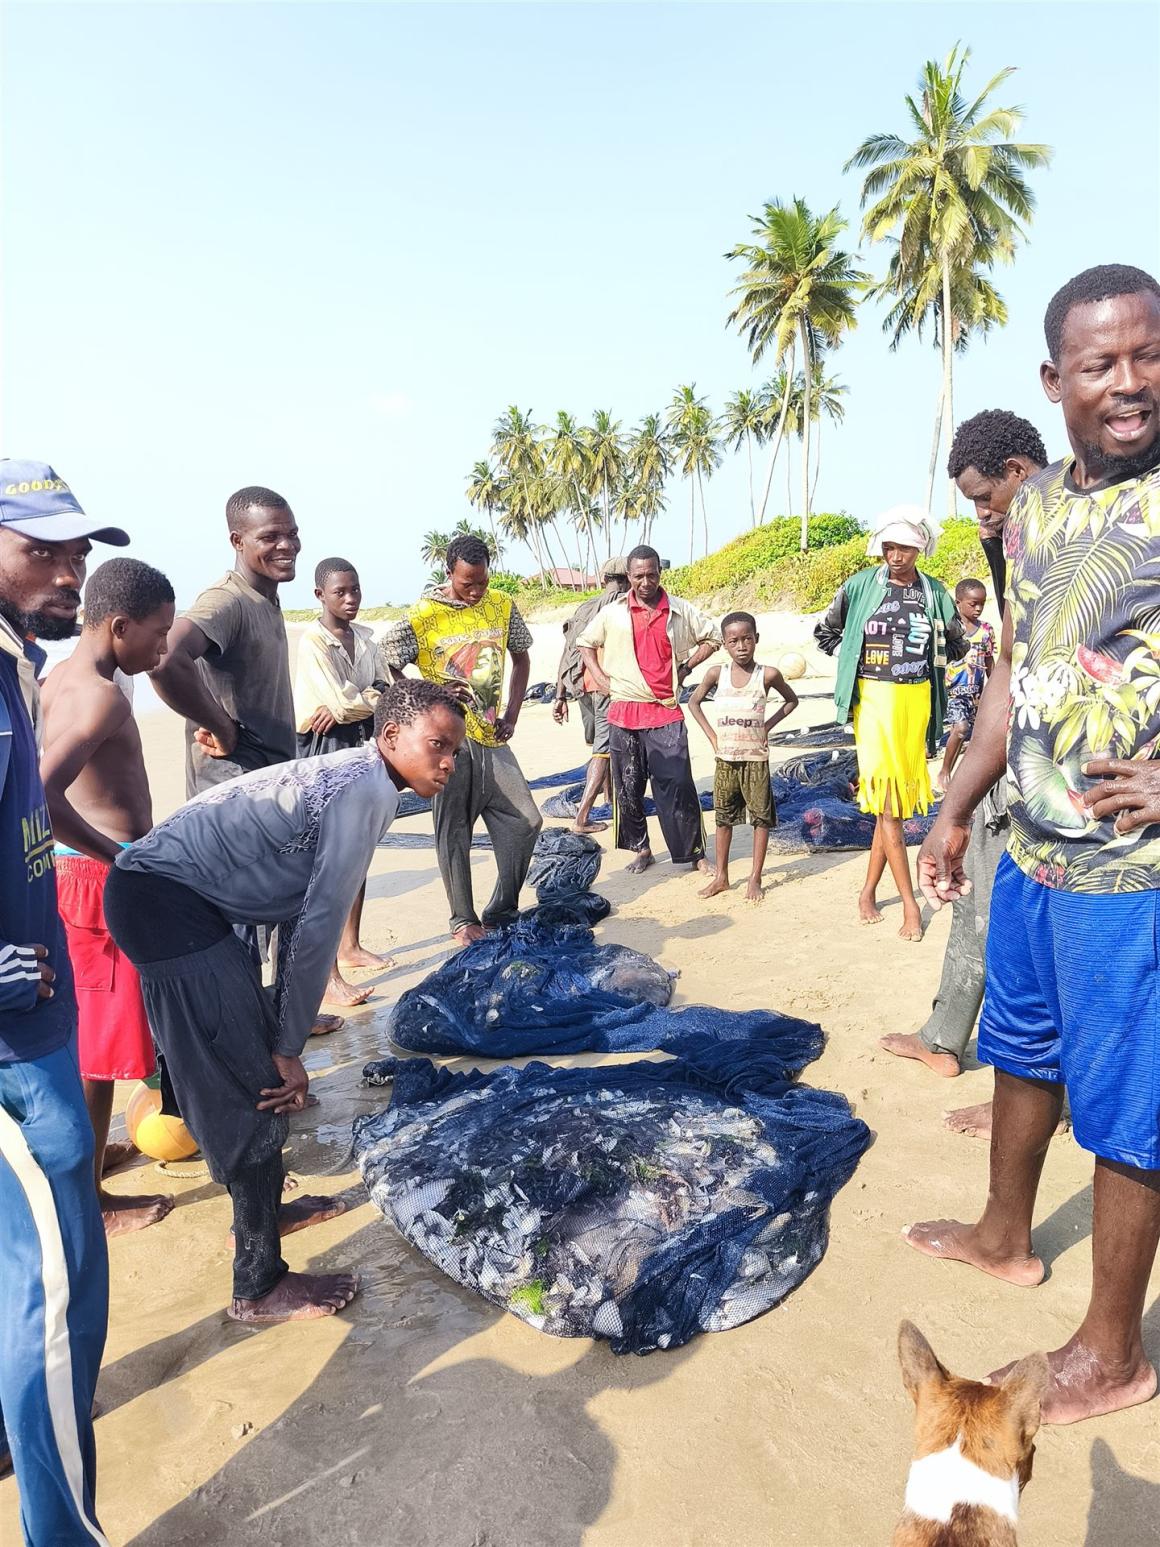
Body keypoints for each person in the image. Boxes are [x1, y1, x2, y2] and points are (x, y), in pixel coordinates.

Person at [907, 264, 1160, 1426]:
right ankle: (1002, 1231)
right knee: (1019, 1046)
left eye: (1147, 355)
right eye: (1100, 363)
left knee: (1123, 1099)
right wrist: (957, 802)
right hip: (1032, 847)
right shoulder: (1036, 508)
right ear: (1055, 381)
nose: (1128, 381)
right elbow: (1013, 668)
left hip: (1131, 869)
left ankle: (1110, 1351)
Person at [104, 679, 466, 1324]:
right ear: (390, 736)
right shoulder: (363, 789)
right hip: (163, 903)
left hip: (182, 901)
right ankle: (258, 1285)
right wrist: (287, 1047)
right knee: (256, 1086)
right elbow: (318, 925)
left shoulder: (368, 778)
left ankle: (266, 1210)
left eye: (456, 752)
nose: (448, 763)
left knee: (246, 1060)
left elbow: (293, 903)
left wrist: (279, 1027)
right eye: (438, 745)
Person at [0, 459, 130, 1544]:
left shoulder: (18, 666)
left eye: (77, 549)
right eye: (42, 548)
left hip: (41, 1022)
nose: (68, 568)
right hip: (10, 1046)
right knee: (54, 1298)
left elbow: (29, 814)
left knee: (44, 1271)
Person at [879, 413, 1048, 1118]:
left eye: (984, 497)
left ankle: (970, 1053)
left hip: (1029, 773)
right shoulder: (1041, 540)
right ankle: (1010, 1075)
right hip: (1026, 766)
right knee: (1011, 919)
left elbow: (1015, 661)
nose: (982, 512)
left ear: (1017, 472)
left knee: (990, 916)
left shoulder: (1061, 539)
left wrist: (957, 801)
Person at [150, 486, 340, 1036]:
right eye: (270, 537)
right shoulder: (227, 600)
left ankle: (279, 1017)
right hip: (235, 796)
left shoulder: (265, 598)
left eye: (292, 534)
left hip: (271, 786)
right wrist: (223, 727)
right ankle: (248, 1042)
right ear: (237, 540)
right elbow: (166, 659)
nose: (287, 545)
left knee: (285, 906)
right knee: (241, 928)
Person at [40, 558, 177, 1238]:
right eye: (157, 633)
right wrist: (117, 854)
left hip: (74, 876)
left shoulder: (55, 679)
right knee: (98, 1047)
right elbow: (41, 793)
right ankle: (91, 1196)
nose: (163, 649)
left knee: (95, 1029)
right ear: (120, 626)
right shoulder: (103, 696)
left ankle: (96, 1158)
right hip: (95, 881)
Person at [381, 534, 541, 944]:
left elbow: (521, 657)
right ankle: (462, 919)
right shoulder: (423, 614)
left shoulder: (502, 605)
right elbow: (385, 661)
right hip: (448, 742)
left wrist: (512, 714)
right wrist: (428, 696)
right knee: (454, 830)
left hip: (491, 735)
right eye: (468, 583)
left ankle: (501, 909)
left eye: (482, 582)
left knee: (526, 820)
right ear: (449, 572)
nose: (476, 591)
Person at [816, 508, 963, 940]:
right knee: (888, 805)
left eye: (905, 549)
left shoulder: (934, 593)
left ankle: (867, 892)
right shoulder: (860, 586)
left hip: (915, 702)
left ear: (920, 549)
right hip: (874, 701)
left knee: (892, 804)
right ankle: (911, 907)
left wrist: (924, 658)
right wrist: (853, 656)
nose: (896, 556)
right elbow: (825, 633)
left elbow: (957, 643)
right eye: (889, 547)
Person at [576, 546, 721, 874]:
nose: (646, 582)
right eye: (639, 576)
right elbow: (585, 643)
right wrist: (600, 678)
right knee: (628, 787)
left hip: (665, 710)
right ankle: (641, 849)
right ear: (629, 576)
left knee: (678, 783)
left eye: (651, 575)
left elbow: (713, 638)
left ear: (660, 573)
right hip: (624, 711)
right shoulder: (613, 613)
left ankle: (694, 853)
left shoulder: (679, 609)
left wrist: (686, 668)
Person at [293, 556, 394, 1006]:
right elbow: (340, 700)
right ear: (320, 595)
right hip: (324, 750)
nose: (350, 599)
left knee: (359, 850)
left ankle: (350, 945)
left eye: (355, 590)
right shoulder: (313, 642)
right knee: (328, 862)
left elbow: (382, 692)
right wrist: (362, 700)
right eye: (340, 592)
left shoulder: (366, 639)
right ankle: (327, 974)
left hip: (360, 743)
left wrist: (357, 701)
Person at [688, 611, 798, 900]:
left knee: (760, 818)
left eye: (747, 639)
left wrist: (767, 726)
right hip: (726, 759)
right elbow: (694, 703)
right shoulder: (717, 674)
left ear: (756, 639)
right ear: (725, 644)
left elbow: (791, 701)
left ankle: (755, 878)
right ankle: (722, 877)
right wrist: (712, 737)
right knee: (723, 818)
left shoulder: (767, 675)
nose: (741, 646)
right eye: (734, 641)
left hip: (756, 759)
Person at [552, 556, 630, 833]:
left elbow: (567, 652)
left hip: (581, 685)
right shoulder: (624, 605)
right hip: (607, 686)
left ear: (604, 579)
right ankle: (582, 817)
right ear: (629, 578)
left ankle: (608, 798)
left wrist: (560, 695)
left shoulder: (584, 607)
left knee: (601, 746)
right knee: (603, 750)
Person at [936, 578, 995, 790]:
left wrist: (994, 690)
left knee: (973, 737)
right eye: (973, 604)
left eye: (982, 604)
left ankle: (965, 779)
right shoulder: (947, 630)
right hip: (951, 693)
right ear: (958, 602)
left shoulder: (986, 630)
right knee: (961, 729)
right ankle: (944, 771)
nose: (978, 608)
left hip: (976, 694)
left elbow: (989, 663)